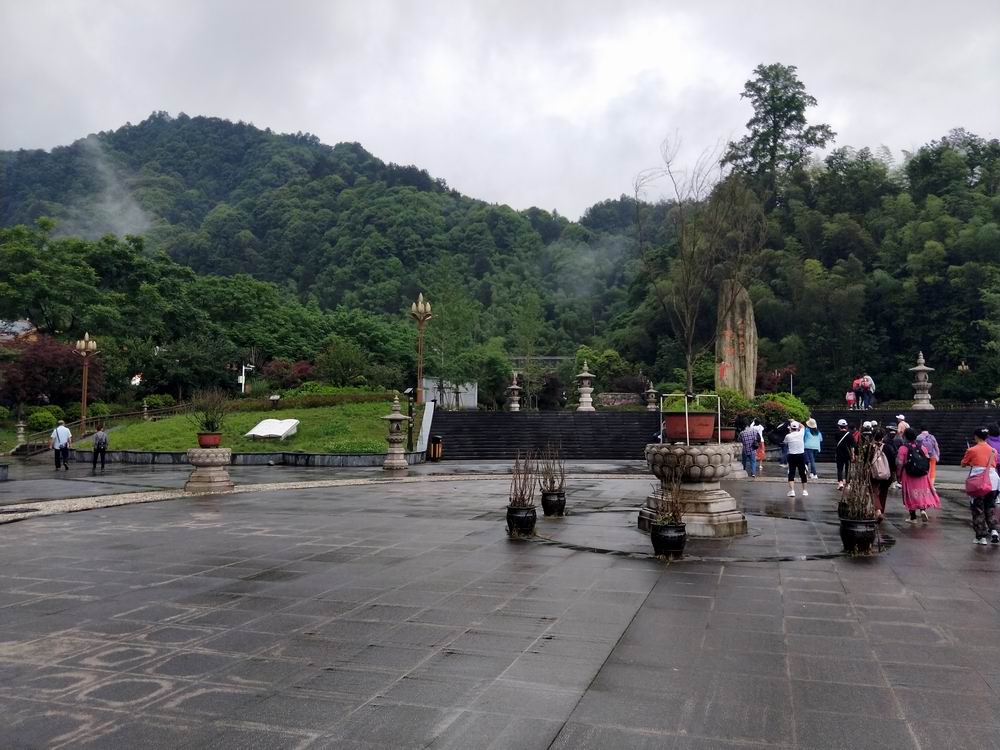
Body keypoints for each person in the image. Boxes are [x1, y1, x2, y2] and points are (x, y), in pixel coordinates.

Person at [960, 428, 1000, 545]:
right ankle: (994, 531)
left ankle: (980, 537)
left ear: (976, 437)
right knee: (990, 508)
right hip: (993, 482)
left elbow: (963, 463)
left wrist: (970, 462)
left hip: (978, 483)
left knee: (978, 509)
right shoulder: (993, 451)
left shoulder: (972, 450)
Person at [897, 427, 940, 523]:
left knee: (910, 494)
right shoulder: (922, 447)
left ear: (905, 437)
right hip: (922, 474)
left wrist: (898, 475)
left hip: (909, 474)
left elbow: (899, 463)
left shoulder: (903, 448)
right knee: (921, 492)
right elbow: (927, 460)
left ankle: (913, 517)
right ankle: (923, 510)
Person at [870, 427, 895, 523]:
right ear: (883, 436)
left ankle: (877, 510)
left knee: (873, 491)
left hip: (873, 474)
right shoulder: (888, 447)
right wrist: (893, 473)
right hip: (886, 474)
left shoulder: (869, 448)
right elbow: (893, 462)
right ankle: (881, 512)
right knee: (883, 493)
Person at [783, 420, 809, 498]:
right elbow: (803, 426)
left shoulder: (788, 436)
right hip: (801, 455)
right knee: (802, 473)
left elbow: (785, 443)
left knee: (791, 473)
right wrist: (795, 421)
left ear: (790, 428)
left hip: (791, 456)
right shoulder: (801, 433)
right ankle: (804, 491)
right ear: (797, 428)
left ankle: (792, 491)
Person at [834, 419, 855, 490]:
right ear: (846, 426)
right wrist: (853, 455)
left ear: (839, 426)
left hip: (839, 454)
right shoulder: (850, 435)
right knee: (847, 469)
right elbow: (852, 447)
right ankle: (848, 483)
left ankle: (840, 483)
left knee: (840, 469)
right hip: (848, 454)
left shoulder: (836, 434)